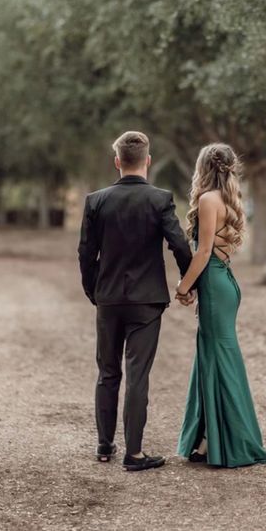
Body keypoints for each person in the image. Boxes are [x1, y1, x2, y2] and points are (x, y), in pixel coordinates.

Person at [78, 131, 194, 472]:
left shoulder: (96, 201)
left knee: (107, 372)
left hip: (109, 299)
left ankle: (104, 446)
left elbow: (86, 254)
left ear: (117, 162)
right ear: (148, 161)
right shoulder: (160, 199)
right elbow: (180, 246)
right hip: (147, 302)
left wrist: (93, 291)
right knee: (137, 375)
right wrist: (189, 284)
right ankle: (135, 454)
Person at [175, 143, 266, 468]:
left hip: (216, 285)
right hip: (221, 284)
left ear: (203, 167)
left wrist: (183, 286)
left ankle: (232, 442)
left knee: (220, 358)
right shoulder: (225, 200)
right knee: (214, 358)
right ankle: (208, 440)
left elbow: (204, 252)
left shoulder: (209, 200)